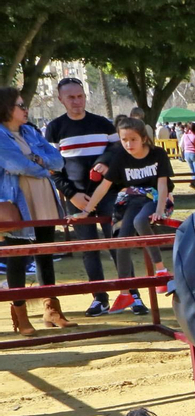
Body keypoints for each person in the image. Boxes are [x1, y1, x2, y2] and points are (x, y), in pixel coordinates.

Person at [70, 116, 171, 314]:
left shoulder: (157, 154)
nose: (128, 144)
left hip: (157, 197)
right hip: (132, 199)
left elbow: (162, 183)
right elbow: (103, 186)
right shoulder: (120, 158)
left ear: (143, 138)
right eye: (124, 140)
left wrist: (159, 210)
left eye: (133, 139)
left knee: (141, 221)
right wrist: (86, 210)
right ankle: (125, 291)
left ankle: (161, 269)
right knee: (121, 240)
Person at [44, 76, 119, 316]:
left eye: (80, 96)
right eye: (71, 97)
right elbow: (53, 169)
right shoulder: (54, 128)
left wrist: (105, 163)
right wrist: (72, 194)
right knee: (88, 248)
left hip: (107, 193)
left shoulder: (104, 124)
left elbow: (118, 152)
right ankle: (100, 298)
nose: (77, 101)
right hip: (76, 197)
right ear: (61, 99)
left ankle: (132, 293)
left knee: (118, 243)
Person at [1, 87, 70, 335]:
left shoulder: (30, 131)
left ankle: (51, 308)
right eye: (20, 105)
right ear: (7, 108)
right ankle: (20, 313)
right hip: (17, 200)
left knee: (46, 253)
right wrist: (41, 164)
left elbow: (58, 160)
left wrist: (37, 161)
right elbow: (14, 164)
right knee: (17, 256)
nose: (25, 109)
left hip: (43, 196)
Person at [178, 123, 195, 189]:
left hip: (186, 153)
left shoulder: (185, 135)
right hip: (194, 153)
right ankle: (193, 182)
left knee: (192, 170)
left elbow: (180, 145)